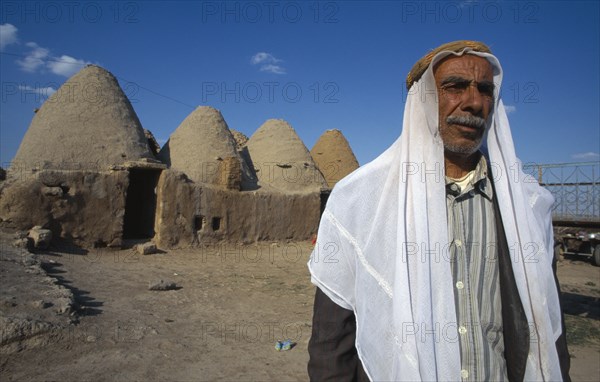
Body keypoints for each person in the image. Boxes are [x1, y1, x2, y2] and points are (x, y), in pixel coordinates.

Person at [307, 41, 570, 381]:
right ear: (424, 100)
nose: (474, 102)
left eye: (485, 90)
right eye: (455, 86)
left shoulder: (527, 208)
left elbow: (551, 331)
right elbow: (331, 344)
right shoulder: (359, 203)